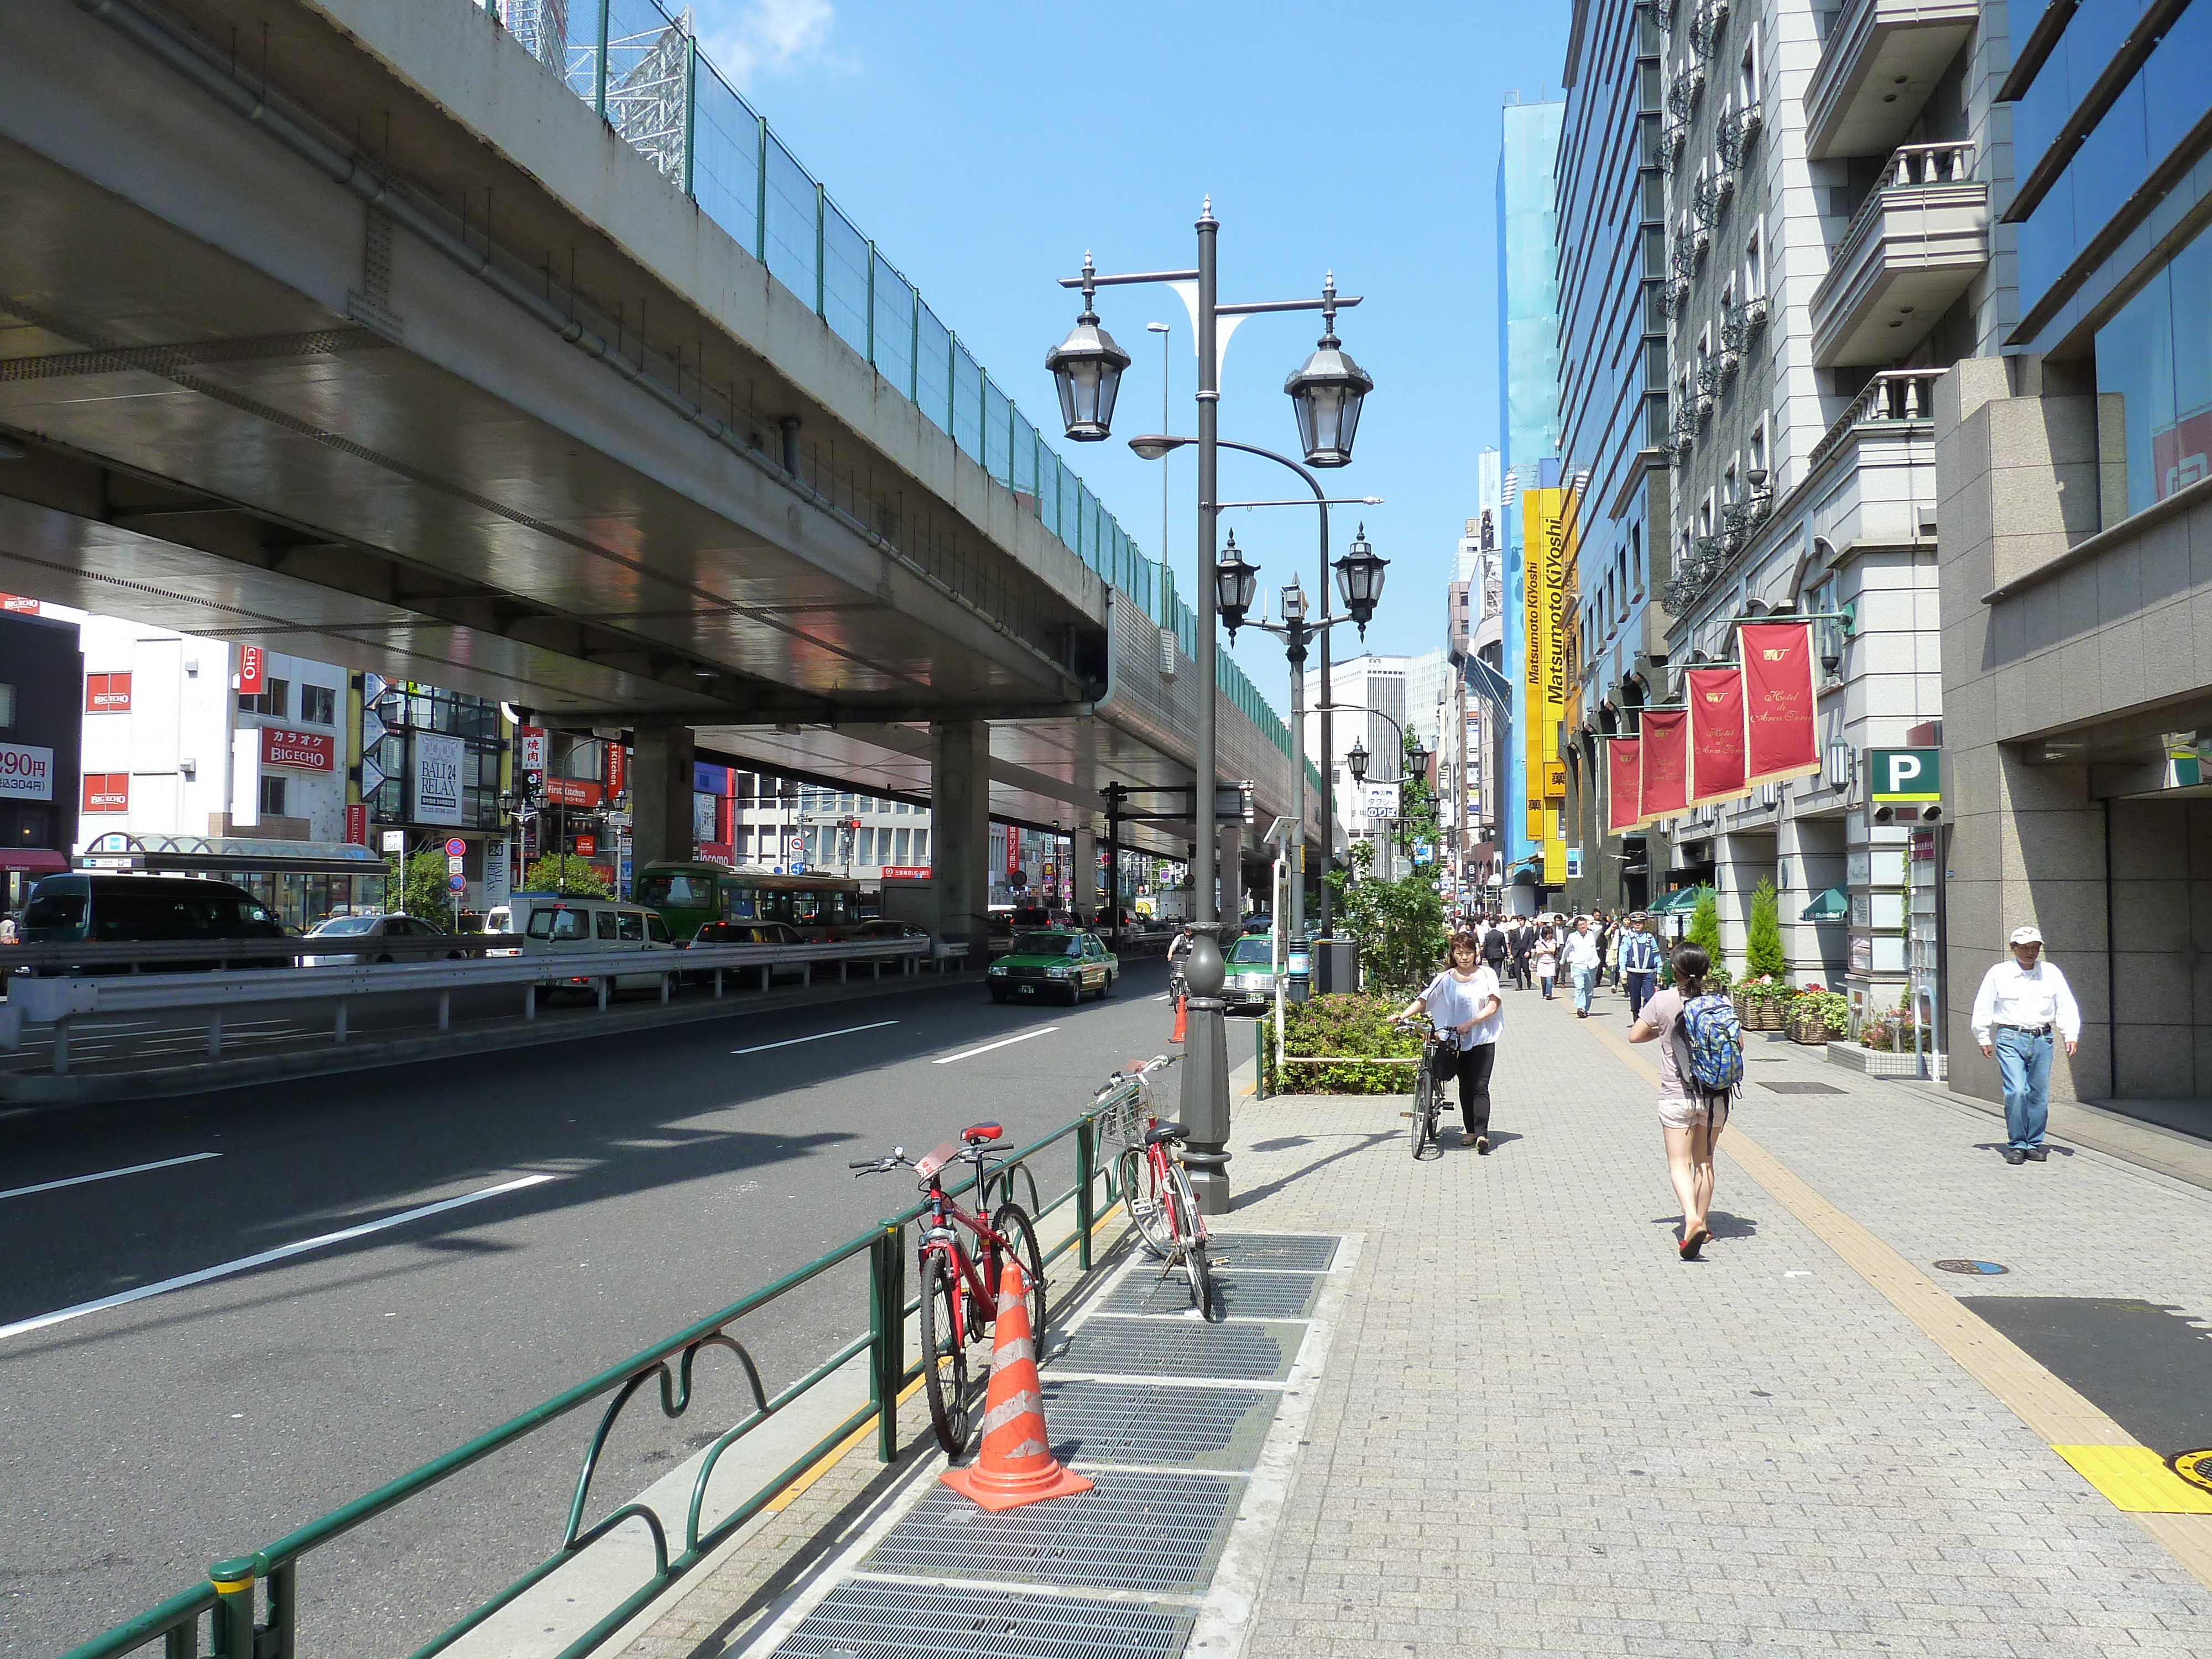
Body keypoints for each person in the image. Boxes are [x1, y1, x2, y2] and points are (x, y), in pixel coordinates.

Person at [1629, 943, 1731, 1259]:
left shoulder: (1662, 1000)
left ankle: (1691, 1219)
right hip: (1715, 1097)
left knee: (1678, 1162)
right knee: (1705, 1162)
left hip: (1677, 1094)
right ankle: (1704, 1223)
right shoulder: (1722, 1002)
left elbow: (1635, 1036)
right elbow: (1737, 1042)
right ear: (1706, 970)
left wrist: (1661, 1032)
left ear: (1675, 970)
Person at [1970, 924, 2081, 1165]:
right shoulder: (1998, 973)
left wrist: (2070, 1034)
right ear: (2013, 949)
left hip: (2043, 1038)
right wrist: (1983, 1036)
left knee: (2039, 1094)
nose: (2031, 952)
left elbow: (2066, 1004)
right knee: (2017, 1091)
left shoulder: (2051, 972)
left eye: (2035, 948)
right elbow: (1983, 1005)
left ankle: (2034, 1143)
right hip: (2010, 1037)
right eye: (2025, 948)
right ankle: (2017, 1143)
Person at [1395, 930, 1505, 1151]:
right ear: (1453, 955)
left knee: (1480, 1086)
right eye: (1459, 953)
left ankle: (1482, 1134)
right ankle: (1471, 1131)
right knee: (1465, 1086)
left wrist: (1471, 1022)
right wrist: (1403, 1015)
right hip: (1456, 1041)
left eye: (1468, 952)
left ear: (1476, 953)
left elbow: (1493, 1005)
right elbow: (1425, 999)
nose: (1464, 957)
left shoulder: (1487, 974)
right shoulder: (1446, 978)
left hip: (1482, 1038)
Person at [1618, 912, 1661, 1021]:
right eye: (1636, 923)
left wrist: (1660, 971)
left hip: (1649, 972)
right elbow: (1623, 953)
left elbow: (1656, 955)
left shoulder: (1650, 938)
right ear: (1632, 924)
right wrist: (1622, 970)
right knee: (1635, 997)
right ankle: (1636, 1018)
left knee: (1649, 996)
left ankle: (1646, 1018)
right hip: (1633, 973)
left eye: (1640, 923)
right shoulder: (1628, 937)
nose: (1638, 925)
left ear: (1644, 924)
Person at [1563, 915, 1601, 1018]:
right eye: (1580, 925)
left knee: (1589, 990)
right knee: (1579, 988)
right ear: (1576, 927)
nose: (1583, 926)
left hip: (1591, 965)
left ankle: (1586, 1009)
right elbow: (1567, 949)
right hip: (1578, 966)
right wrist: (1563, 960)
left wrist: (1591, 923)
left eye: (1584, 924)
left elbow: (1600, 927)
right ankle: (1580, 1007)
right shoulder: (1573, 936)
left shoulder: (1592, 934)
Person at [1533, 923, 1560, 999]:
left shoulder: (1553, 941)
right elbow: (1538, 951)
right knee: (1543, 980)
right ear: (1544, 934)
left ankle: (1549, 994)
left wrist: (1544, 950)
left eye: (1551, 933)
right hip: (1542, 962)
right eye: (1549, 934)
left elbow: (1553, 950)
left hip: (1551, 962)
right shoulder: (1539, 942)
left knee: (1550, 979)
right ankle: (1544, 993)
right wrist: (1548, 950)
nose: (1551, 935)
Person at [1510, 916, 1536, 990]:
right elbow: (1513, 943)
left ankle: (1529, 979)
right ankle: (1520, 986)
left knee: (1526, 969)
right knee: (1517, 969)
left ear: (1524, 921)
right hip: (1517, 953)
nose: (1520, 922)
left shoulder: (1529, 930)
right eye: (1519, 921)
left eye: (1521, 921)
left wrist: (1528, 951)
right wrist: (1512, 953)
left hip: (1525, 952)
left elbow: (1531, 942)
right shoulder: (1515, 931)